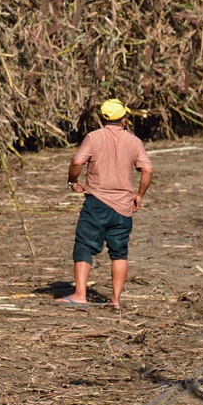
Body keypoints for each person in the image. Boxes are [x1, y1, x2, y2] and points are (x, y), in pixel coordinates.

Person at [58, 98, 153, 310]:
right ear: (124, 120)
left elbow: (76, 162)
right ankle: (116, 300)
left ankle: (81, 294)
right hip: (123, 207)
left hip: (97, 203)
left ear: (102, 118)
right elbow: (147, 170)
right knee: (119, 252)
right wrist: (139, 194)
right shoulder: (134, 141)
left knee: (84, 245)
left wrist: (73, 182)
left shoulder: (94, 137)